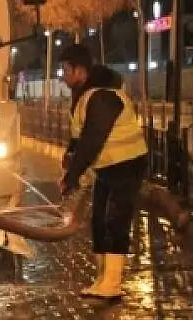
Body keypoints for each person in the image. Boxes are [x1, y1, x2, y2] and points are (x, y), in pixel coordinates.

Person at [58, 43, 148, 299]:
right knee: (98, 220)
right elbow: (80, 135)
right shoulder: (85, 96)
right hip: (108, 167)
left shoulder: (103, 96)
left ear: (81, 71)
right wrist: (69, 155)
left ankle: (112, 282)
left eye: (66, 70)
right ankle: (102, 278)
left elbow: (93, 139)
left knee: (115, 221)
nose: (63, 76)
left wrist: (72, 176)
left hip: (127, 164)